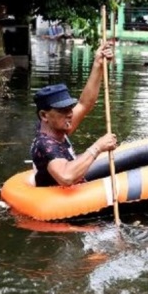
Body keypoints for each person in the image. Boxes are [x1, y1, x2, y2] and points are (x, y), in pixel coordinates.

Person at [30, 42, 118, 187]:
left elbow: (84, 104)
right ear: (44, 115)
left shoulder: (57, 128)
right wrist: (98, 147)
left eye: (70, 108)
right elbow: (66, 177)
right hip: (58, 204)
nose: (70, 114)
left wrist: (98, 64)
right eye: (63, 110)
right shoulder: (45, 144)